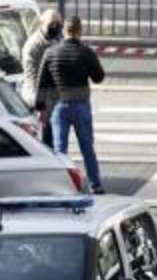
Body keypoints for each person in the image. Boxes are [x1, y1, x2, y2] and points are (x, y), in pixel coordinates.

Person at [37, 17, 106, 193]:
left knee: (60, 149)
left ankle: (63, 186)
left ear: (64, 31)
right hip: (81, 105)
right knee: (87, 147)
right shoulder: (85, 52)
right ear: (79, 30)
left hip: (59, 106)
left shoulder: (51, 53)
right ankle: (95, 184)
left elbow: (42, 82)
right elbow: (99, 77)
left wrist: (40, 107)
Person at [21, 10, 64, 148]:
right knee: (45, 138)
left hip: (54, 96)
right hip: (39, 97)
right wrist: (40, 106)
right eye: (52, 23)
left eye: (59, 24)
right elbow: (31, 78)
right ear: (42, 24)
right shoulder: (33, 46)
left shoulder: (58, 39)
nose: (56, 27)